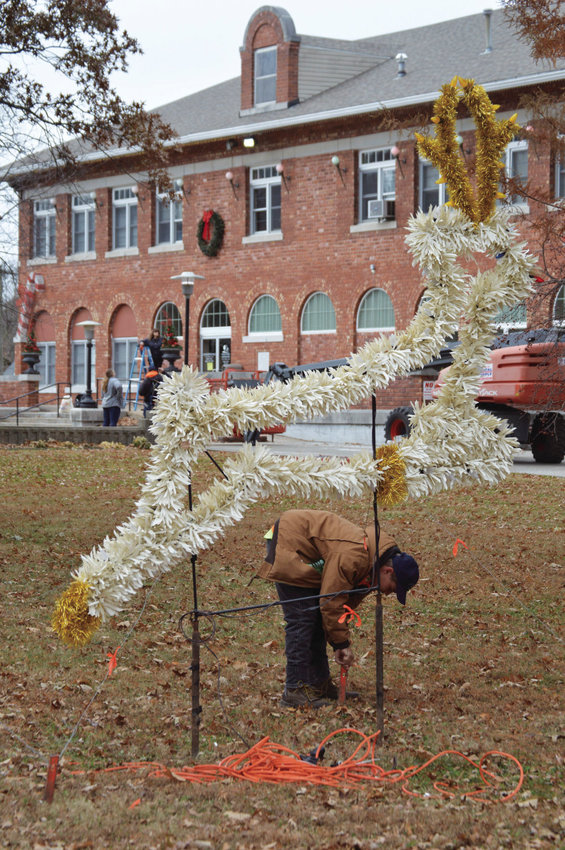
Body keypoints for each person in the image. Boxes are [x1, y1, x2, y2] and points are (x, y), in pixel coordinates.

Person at [258, 509, 419, 708]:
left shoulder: (372, 564)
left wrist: (338, 641)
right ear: (388, 571)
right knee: (302, 620)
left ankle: (318, 684)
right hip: (290, 541)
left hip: (306, 547)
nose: (387, 594)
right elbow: (330, 602)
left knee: (315, 618)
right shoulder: (355, 556)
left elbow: (342, 606)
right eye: (392, 588)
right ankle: (294, 691)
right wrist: (341, 644)